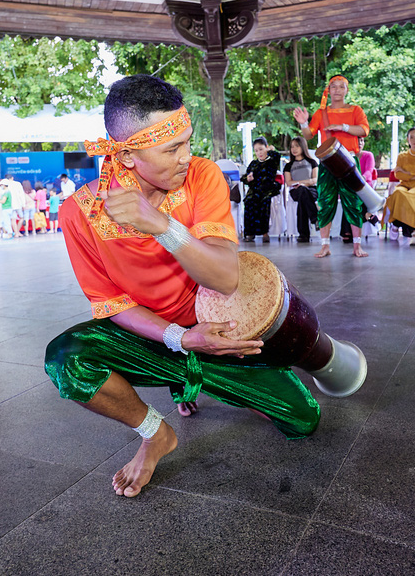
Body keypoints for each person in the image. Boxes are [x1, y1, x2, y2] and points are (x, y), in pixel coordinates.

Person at [44, 74, 320, 499]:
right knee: (66, 358)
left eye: (188, 141)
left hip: (221, 334)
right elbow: (111, 303)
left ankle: (203, 381)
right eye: (172, 148)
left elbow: (225, 277)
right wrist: (182, 338)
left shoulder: (203, 176)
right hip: (155, 337)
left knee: (303, 418)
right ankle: (156, 433)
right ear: (129, 156)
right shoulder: (78, 213)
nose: (186, 157)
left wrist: (160, 224)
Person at [293, 75, 371, 258]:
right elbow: (309, 134)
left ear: (346, 90)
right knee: (325, 201)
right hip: (327, 162)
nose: (337, 90)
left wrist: (343, 127)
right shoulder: (321, 113)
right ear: (328, 90)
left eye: (341, 87)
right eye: (333, 87)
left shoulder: (355, 110)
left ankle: (357, 246)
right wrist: (304, 122)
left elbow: (364, 130)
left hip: (349, 161)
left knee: (353, 202)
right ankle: (325, 245)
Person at [383, 127, 415, 246]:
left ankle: (408, 229)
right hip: (405, 185)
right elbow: (398, 174)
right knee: (398, 193)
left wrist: (408, 174)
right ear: (407, 140)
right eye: (411, 137)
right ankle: (398, 225)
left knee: (410, 197)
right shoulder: (402, 156)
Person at [241, 138, 281, 242]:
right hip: (254, 190)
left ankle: (265, 233)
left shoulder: (272, 161)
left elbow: (277, 155)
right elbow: (244, 177)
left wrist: (270, 150)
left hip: (268, 189)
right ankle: (249, 233)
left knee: (264, 203)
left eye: (261, 149)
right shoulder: (253, 164)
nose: (259, 153)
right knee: (249, 202)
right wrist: (248, 179)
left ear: (266, 148)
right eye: (256, 150)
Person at [339, 135, 378, 243]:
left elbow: (369, 171)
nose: (360, 143)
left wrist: (361, 178)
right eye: (357, 140)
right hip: (350, 187)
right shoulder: (345, 156)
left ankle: (346, 231)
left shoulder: (368, 155)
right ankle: (368, 216)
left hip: (364, 186)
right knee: (349, 196)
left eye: (362, 140)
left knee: (355, 195)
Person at [283, 136, 319, 243]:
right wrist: (302, 184)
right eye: (292, 147)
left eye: (297, 146)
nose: (294, 149)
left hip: (311, 190)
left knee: (303, 196)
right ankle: (315, 219)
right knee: (302, 192)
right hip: (295, 191)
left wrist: (302, 183)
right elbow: (289, 182)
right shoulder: (288, 166)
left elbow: (315, 179)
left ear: (303, 146)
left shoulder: (312, 162)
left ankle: (303, 235)